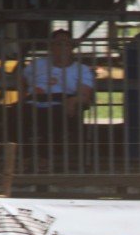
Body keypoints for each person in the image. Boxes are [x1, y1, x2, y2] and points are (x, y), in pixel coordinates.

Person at [19, 29, 95, 162]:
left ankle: (44, 158)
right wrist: (23, 97)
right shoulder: (37, 64)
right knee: (15, 115)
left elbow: (85, 94)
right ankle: (24, 157)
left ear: (71, 47)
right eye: (58, 44)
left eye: (66, 44)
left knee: (53, 117)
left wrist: (73, 100)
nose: (63, 47)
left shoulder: (81, 69)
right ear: (51, 46)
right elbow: (21, 79)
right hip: (34, 101)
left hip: (61, 102)